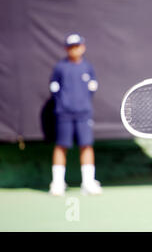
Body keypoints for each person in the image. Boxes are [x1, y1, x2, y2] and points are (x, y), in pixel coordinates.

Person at [48, 33, 102, 196]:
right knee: (61, 146)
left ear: (83, 47)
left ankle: (88, 182)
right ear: (66, 49)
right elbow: (54, 90)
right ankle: (57, 183)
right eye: (71, 47)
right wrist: (63, 105)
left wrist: (82, 105)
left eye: (77, 46)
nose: (74, 49)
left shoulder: (88, 67)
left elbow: (92, 89)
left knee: (86, 145)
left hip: (83, 114)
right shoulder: (60, 68)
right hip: (64, 114)